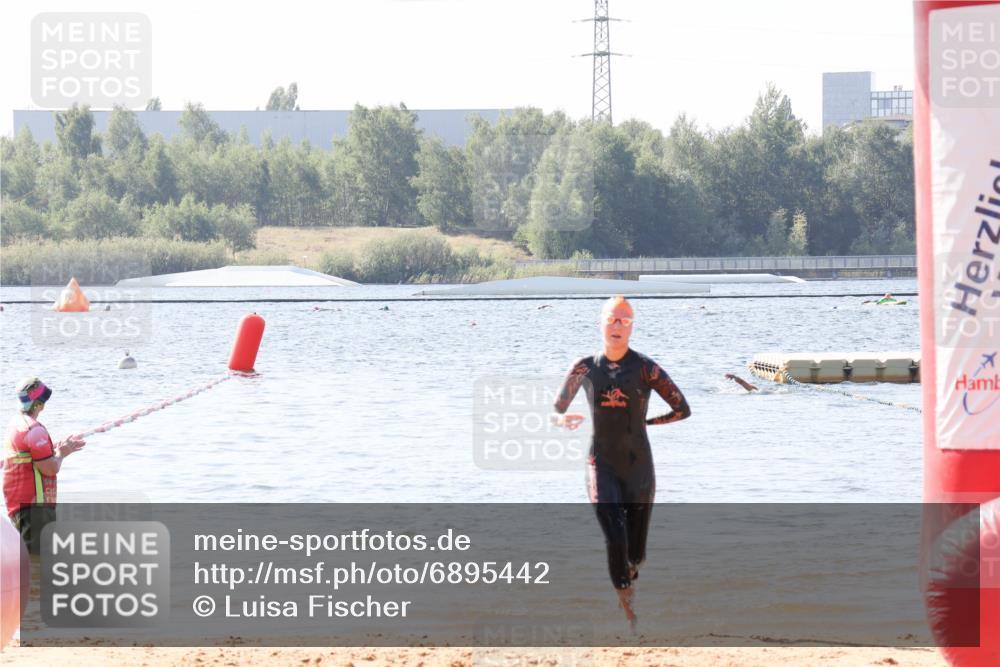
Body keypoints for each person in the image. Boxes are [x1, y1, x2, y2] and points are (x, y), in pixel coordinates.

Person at [552, 295, 691, 627]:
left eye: (624, 320)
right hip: (600, 463)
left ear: (631, 327)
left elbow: (682, 409)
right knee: (614, 535)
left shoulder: (646, 368)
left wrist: (648, 423)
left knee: (635, 553)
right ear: (601, 323)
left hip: (639, 467)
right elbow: (556, 410)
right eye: (612, 319)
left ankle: (629, 586)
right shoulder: (584, 367)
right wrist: (563, 420)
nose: (617, 326)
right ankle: (628, 611)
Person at [3, 378, 85, 553]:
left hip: (18, 506)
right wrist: (62, 453)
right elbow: (50, 468)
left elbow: (29, 456)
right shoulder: (34, 430)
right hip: (35, 507)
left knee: (29, 559)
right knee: (37, 562)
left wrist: (53, 448)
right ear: (39, 405)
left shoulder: (15, 425)